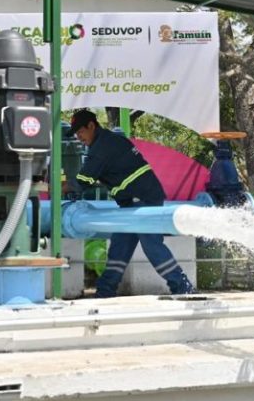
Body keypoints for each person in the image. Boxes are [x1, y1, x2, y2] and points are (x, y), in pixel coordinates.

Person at [69, 109, 194, 298]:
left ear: (91, 126)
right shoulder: (107, 141)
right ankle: (105, 291)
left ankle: (182, 287)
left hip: (143, 199)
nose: (79, 137)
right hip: (132, 202)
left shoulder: (102, 146)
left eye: (80, 132)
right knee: (120, 247)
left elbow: (83, 181)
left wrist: (61, 185)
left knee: (152, 246)